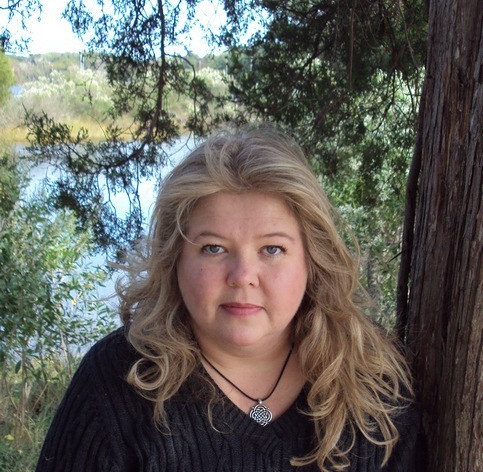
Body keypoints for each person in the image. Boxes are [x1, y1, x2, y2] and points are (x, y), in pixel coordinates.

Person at [36, 124, 422, 472]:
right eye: (213, 248)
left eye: (272, 249)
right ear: (175, 260)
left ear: (312, 260)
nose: (242, 276)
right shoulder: (114, 382)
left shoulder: (374, 378)